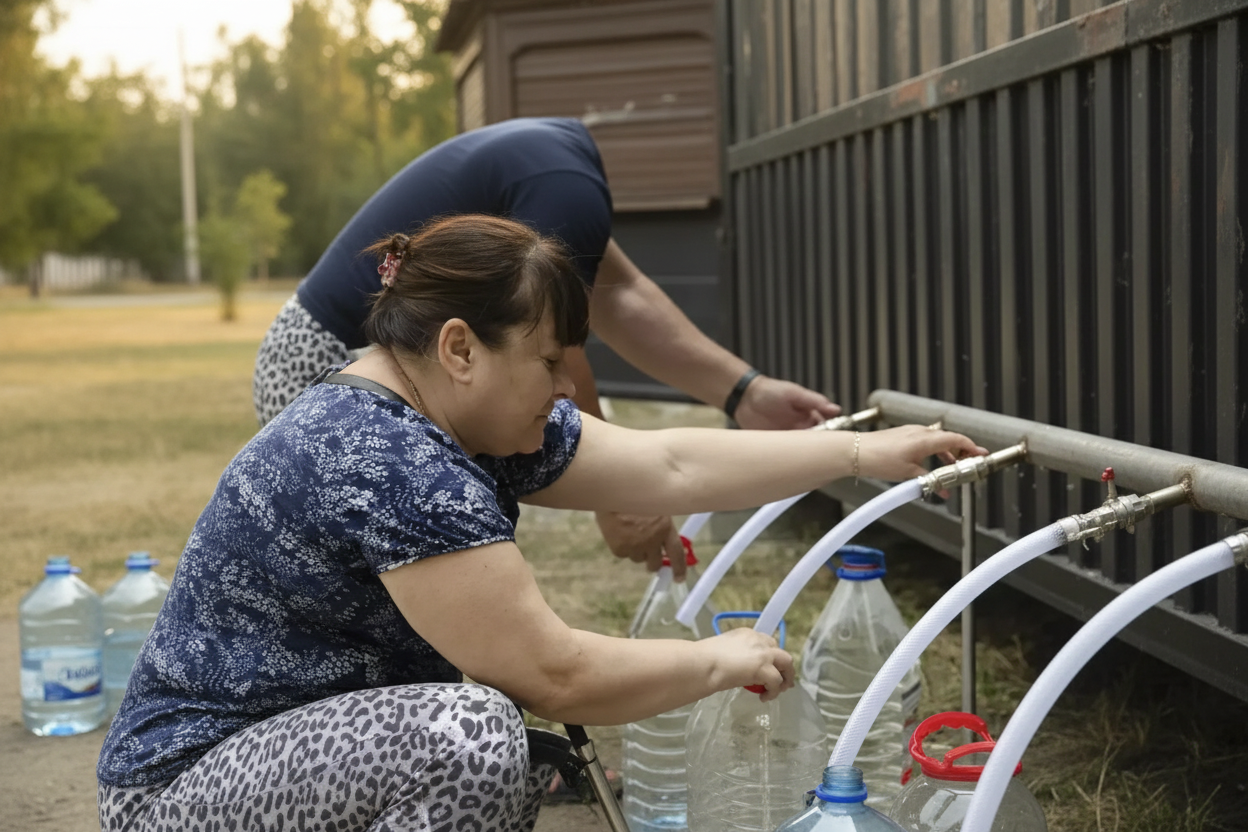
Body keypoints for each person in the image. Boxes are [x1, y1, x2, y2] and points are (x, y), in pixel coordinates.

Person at [99, 215, 985, 832]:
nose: (566, 388)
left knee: (498, 755)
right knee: (471, 741)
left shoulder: (448, 413)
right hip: (183, 795)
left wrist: (858, 453)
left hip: (287, 764)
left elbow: (669, 465)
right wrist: (719, 661)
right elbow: (552, 673)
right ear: (460, 348)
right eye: (550, 360)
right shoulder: (389, 458)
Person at [253, 117, 842, 576]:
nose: (562, 381)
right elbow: (555, 348)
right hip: (329, 358)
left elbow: (622, 296)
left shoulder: (560, 176)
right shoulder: (568, 190)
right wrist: (618, 495)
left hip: (323, 349)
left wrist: (744, 392)